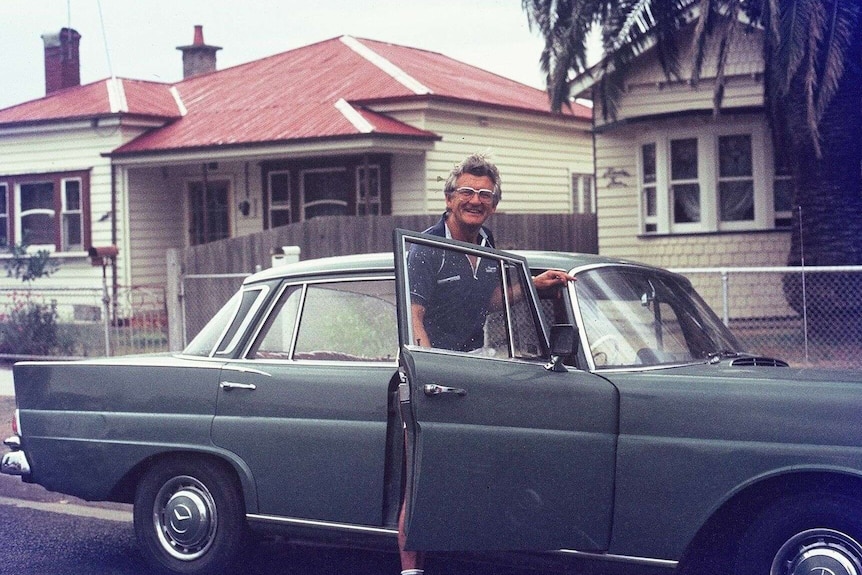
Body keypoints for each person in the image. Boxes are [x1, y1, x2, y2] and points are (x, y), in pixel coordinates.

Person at [399, 153, 574, 575]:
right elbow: (413, 315)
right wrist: (429, 372)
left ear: (493, 204)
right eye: (467, 192)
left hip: (473, 368)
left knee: (474, 467)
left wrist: (533, 286)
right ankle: (410, 569)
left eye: (485, 195)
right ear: (448, 198)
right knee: (421, 475)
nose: (475, 200)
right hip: (431, 374)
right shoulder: (427, 249)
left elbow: (488, 300)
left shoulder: (487, 245)